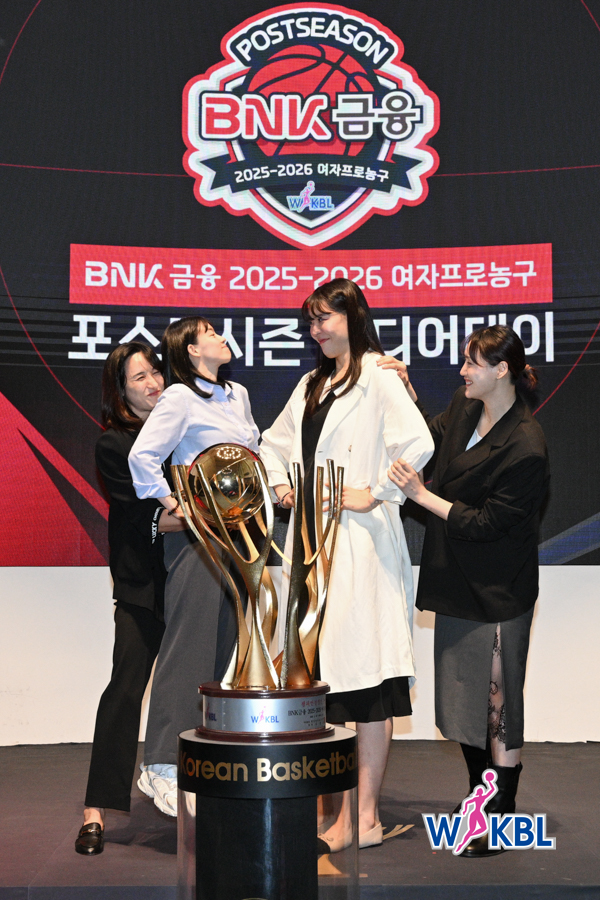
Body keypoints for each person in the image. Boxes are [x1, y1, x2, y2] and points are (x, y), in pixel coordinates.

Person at [259, 279, 434, 851]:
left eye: (325, 318)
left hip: (361, 545)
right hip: (312, 544)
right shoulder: (311, 384)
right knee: (324, 679)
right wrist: (281, 485)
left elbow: (418, 443)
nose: (317, 330)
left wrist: (377, 490)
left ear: (352, 318)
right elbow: (273, 443)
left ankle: (364, 818)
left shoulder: (379, 375)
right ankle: (333, 812)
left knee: (369, 680)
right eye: (311, 321)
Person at [387, 325, 550, 857]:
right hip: (456, 580)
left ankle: (500, 811)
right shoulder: (463, 406)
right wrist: (405, 392)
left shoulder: (526, 444)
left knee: (497, 704)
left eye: (472, 363)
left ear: (502, 370)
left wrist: (421, 496)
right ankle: (480, 795)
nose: (462, 371)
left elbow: (486, 523)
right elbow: (429, 438)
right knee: (463, 702)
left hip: (499, 589)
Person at [128, 316, 259, 816]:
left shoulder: (237, 395)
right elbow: (143, 457)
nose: (222, 337)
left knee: (224, 652)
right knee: (188, 647)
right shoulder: (180, 397)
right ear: (191, 349)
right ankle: (161, 764)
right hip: (198, 541)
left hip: (240, 536)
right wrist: (174, 503)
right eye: (211, 333)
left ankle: (199, 760)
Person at [75, 342, 186, 856]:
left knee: (201, 693)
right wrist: (206, 514)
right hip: (144, 587)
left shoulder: (184, 431)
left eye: (155, 372)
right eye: (138, 377)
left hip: (193, 583)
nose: (153, 383)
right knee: (124, 689)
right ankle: (95, 810)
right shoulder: (114, 444)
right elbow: (149, 516)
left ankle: (198, 797)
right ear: (120, 392)